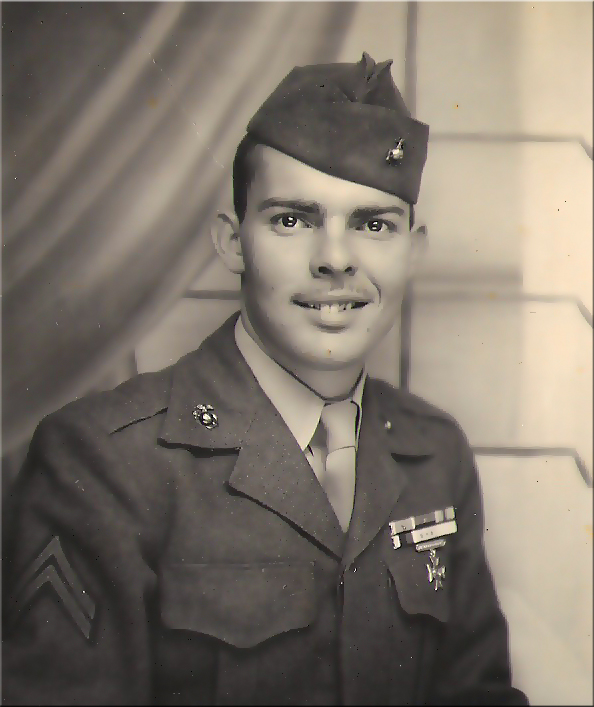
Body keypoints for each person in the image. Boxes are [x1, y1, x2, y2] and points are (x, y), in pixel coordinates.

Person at [2, 53, 528, 705]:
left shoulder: (434, 452)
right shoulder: (105, 461)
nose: (335, 260)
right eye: (292, 219)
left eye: (372, 225)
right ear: (232, 242)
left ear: (412, 250)